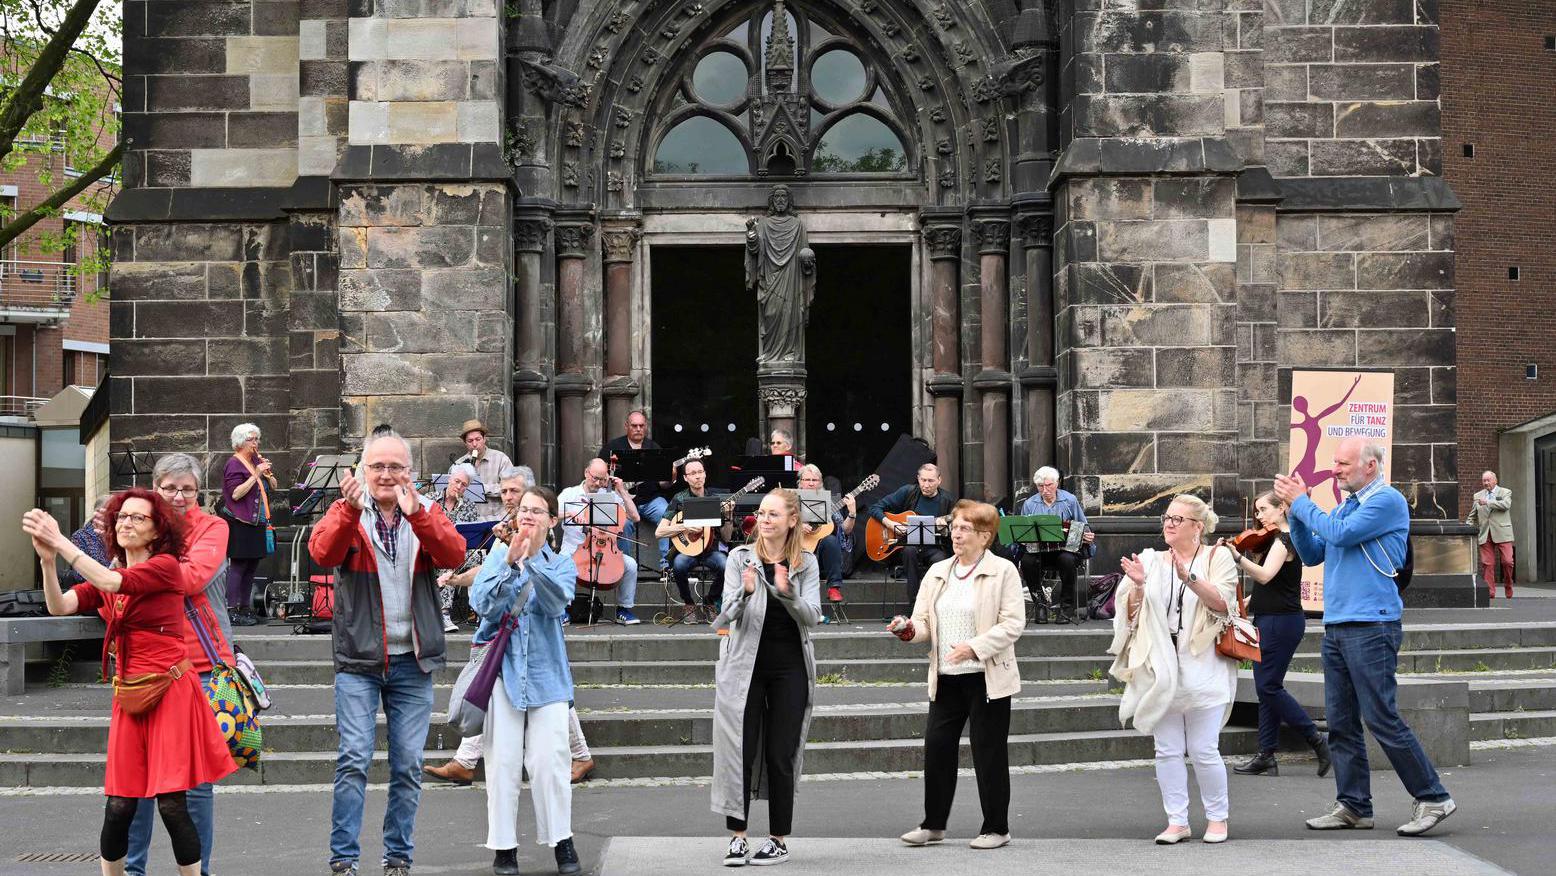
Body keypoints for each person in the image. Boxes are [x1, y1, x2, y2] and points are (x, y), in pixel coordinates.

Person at [23, 489, 237, 876]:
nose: (126, 522)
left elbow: (109, 582)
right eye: (121, 516)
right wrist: (48, 562)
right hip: (130, 695)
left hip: (171, 691)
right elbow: (60, 605)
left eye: (137, 518)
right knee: (119, 804)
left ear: (157, 531)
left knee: (172, 803)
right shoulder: (112, 571)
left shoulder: (166, 566)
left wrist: (60, 541)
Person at [1276, 438, 1458, 837]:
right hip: (1339, 624)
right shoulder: (1345, 506)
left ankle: (1433, 797)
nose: (1335, 470)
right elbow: (1312, 555)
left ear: (1370, 466)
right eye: (1335, 463)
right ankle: (1354, 805)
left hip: (1372, 626)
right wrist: (1296, 516)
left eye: (1343, 464)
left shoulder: (1387, 501)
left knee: (1381, 717)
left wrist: (1303, 502)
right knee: (1341, 722)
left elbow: (1340, 535)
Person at [308, 427, 468, 876]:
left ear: (409, 473)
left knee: (408, 765)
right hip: (359, 659)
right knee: (354, 759)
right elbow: (321, 553)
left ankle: (398, 856)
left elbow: (455, 553)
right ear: (361, 471)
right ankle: (344, 859)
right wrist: (345, 509)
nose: (385, 474)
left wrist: (421, 517)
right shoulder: (349, 514)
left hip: (412, 661)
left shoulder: (427, 512)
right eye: (376, 466)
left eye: (394, 466)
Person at [116, 453, 239, 876]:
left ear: (199, 492)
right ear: (155, 489)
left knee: (196, 785)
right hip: (143, 669)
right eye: (169, 488)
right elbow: (113, 594)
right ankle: (134, 870)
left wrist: (138, 563)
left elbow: (188, 579)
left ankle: (198, 871)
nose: (179, 496)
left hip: (200, 666)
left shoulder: (212, 527)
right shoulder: (135, 528)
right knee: (133, 782)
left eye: (188, 488)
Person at [889, 500, 1023, 850]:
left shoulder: (1003, 571)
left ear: (984, 536)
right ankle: (933, 825)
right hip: (946, 675)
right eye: (954, 526)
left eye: (964, 528)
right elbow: (923, 624)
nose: (955, 533)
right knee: (937, 747)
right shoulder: (938, 572)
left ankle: (997, 827)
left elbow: (1013, 624)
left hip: (986, 676)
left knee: (988, 750)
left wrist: (974, 647)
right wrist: (906, 629)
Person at [1107, 494, 1238, 845]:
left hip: (1204, 664)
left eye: (1177, 519)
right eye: (1166, 517)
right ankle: (1177, 821)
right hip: (1161, 666)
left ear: (1197, 526)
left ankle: (1217, 818)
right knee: (1166, 749)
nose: (1168, 523)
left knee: (1203, 749)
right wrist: (1136, 585)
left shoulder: (1217, 557)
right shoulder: (1149, 560)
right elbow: (1130, 617)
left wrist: (1190, 578)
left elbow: (1225, 605)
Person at [469, 485, 582, 876]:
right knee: (500, 761)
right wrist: (507, 565)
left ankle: (562, 839)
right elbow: (481, 605)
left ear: (552, 521)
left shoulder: (562, 562)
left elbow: (556, 602)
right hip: (502, 672)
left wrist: (530, 563)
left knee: (550, 760)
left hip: (547, 672)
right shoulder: (498, 555)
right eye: (523, 510)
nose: (528, 516)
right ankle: (504, 848)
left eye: (537, 511)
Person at [712, 489, 822, 867]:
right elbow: (723, 618)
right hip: (744, 666)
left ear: (792, 520)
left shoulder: (806, 562)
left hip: (790, 666)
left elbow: (814, 616)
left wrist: (787, 593)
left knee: (781, 753)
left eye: (773, 514)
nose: (765, 519)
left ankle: (778, 838)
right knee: (738, 749)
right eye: (761, 513)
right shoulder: (740, 559)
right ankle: (738, 837)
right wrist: (744, 593)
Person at [425, 465, 534, 786]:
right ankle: (465, 760)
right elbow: (488, 571)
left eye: (514, 491)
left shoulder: (532, 526)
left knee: (546, 693)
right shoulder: (505, 527)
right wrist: (456, 577)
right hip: (501, 621)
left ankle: (579, 755)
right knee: (489, 685)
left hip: (521, 622)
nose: (508, 497)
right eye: (504, 491)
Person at [1219, 493, 1330, 778]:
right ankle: (1266, 755)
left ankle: (1316, 739)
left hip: (1282, 623)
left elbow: (1266, 576)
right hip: (1270, 619)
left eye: (1264, 509)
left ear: (1282, 508)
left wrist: (1237, 558)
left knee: (1268, 687)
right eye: (1257, 511)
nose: (1260, 516)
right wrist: (1243, 602)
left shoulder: (1285, 540)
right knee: (1266, 688)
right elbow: (1273, 587)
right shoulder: (1273, 540)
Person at [558, 459, 643, 625]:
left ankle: (623, 609)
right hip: (575, 548)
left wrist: (622, 491)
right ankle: (564, 610)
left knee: (630, 565)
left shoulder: (610, 496)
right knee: (562, 563)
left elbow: (635, 517)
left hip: (604, 548)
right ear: (586, 473)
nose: (598, 483)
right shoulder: (569, 494)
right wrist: (570, 514)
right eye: (595, 478)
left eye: (602, 479)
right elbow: (550, 514)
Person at [656, 457, 735, 624]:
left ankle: (710, 601)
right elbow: (659, 532)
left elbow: (727, 537)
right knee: (679, 565)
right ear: (685, 478)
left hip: (710, 551)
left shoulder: (716, 500)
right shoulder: (679, 499)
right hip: (687, 550)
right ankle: (689, 603)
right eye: (693, 473)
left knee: (726, 565)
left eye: (700, 472)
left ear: (705, 475)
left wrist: (728, 516)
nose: (697, 476)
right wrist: (684, 528)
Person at [867, 463, 956, 607]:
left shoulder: (948, 500)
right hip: (908, 545)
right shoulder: (908, 492)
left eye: (931, 481)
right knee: (909, 552)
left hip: (935, 547)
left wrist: (948, 528)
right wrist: (891, 524)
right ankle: (914, 604)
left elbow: (954, 526)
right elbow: (875, 508)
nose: (926, 485)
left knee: (940, 560)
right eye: (923, 480)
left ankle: (933, 605)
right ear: (918, 479)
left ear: (939, 480)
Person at [1016, 466, 1094, 624]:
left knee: (1067, 559)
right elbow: (1022, 532)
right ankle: (1040, 604)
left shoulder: (1069, 500)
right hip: (1039, 552)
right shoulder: (1030, 504)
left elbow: (1083, 526)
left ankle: (1066, 607)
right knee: (1027, 561)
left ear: (1057, 483)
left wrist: (1087, 535)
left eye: (1049, 485)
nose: (1045, 490)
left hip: (1065, 552)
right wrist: (1022, 538)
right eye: (1040, 486)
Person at [598, 410, 672, 575]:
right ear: (626, 426)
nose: (638, 429)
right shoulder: (612, 447)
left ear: (645, 427)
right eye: (634, 425)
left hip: (650, 500)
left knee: (667, 514)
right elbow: (600, 475)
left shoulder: (654, 448)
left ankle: (666, 565)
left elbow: (664, 485)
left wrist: (671, 476)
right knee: (623, 523)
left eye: (641, 426)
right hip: (622, 500)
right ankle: (626, 566)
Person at [222, 422, 278, 626]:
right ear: (239, 442)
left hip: (257, 521)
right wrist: (256, 474)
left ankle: (245, 608)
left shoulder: (255, 460)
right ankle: (231, 609)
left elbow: (273, 486)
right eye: (251, 439)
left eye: (257, 438)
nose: (256, 443)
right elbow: (236, 493)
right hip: (240, 521)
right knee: (238, 565)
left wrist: (269, 476)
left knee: (252, 566)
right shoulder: (234, 464)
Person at [796, 463, 856, 604]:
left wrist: (852, 513)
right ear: (800, 482)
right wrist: (798, 526)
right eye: (807, 480)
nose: (811, 483)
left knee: (831, 540)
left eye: (815, 480)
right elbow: (779, 524)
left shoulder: (829, 503)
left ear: (820, 483)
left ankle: (834, 587)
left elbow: (845, 530)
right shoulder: (790, 500)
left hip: (819, 552)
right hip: (795, 548)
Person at [434, 463, 483, 632]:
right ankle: (444, 613)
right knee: (449, 559)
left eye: (464, 485)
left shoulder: (469, 505)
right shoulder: (432, 500)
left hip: (457, 551)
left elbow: (473, 534)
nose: (459, 487)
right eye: (457, 482)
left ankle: (480, 610)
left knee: (481, 560)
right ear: (449, 480)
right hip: (433, 551)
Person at [1465, 470, 1515, 599]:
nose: (1486, 483)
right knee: (1488, 564)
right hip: (1485, 533)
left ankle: (1508, 585)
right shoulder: (1477, 496)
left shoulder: (1505, 492)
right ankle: (1490, 592)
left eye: (1488, 480)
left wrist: (1488, 502)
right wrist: (1466, 527)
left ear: (1495, 481)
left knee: (1507, 562)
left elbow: (1506, 505)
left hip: (1503, 532)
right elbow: (1472, 516)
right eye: (1484, 480)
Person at [454, 419, 514, 521]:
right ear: (465, 443)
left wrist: (481, 489)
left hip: (497, 519)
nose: (474, 444)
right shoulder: (459, 464)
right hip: (468, 521)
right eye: (470, 441)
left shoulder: (501, 459)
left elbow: (512, 489)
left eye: (478, 439)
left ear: (484, 439)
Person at [60, 495, 111, 586]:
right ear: (98, 513)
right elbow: (80, 574)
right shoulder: (80, 536)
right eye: (110, 512)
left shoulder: (117, 534)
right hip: (93, 592)